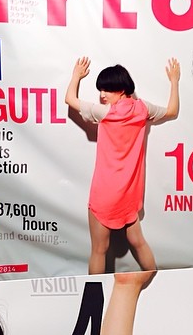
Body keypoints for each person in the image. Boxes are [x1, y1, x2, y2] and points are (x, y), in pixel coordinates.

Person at [65, 57, 180, 274]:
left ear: (122, 89)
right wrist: (174, 81)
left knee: (99, 250)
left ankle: (95, 291)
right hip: (129, 193)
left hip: (105, 193)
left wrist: (76, 75)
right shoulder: (143, 108)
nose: (102, 95)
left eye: (108, 89)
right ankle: (156, 282)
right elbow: (172, 111)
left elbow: (70, 99)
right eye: (101, 90)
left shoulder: (105, 112)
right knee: (138, 242)